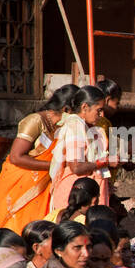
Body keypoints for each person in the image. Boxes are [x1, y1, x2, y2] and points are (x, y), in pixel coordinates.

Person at [0, 85, 72, 232]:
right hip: (18, 184)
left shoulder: (64, 126)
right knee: (15, 230)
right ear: (67, 110)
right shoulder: (35, 121)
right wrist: (55, 165)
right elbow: (16, 157)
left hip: (43, 185)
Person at [50, 84, 109, 213]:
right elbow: (76, 167)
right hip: (77, 196)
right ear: (84, 107)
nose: (101, 114)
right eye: (98, 110)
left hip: (86, 194)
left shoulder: (87, 127)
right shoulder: (75, 125)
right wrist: (105, 162)